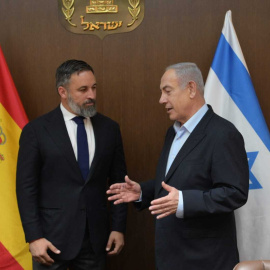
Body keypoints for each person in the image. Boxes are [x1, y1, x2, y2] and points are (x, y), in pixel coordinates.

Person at [107, 63, 249, 270]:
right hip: (170, 256)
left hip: (205, 259)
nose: (161, 100)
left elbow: (235, 193)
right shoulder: (172, 133)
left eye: (167, 91)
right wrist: (142, 192)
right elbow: (177, 181)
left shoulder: (223, 134)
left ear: (191, 89)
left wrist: (184, 201)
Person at [16, 59, 127, 270]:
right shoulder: (37, 131)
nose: (91, 95)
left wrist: (118, 228)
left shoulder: (109, 129)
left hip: (95, 241)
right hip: (50, 241)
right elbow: (25, 188)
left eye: (94, 88)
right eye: (83, 90)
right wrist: (34, 237)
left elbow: (119, 183)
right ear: (63, 91)